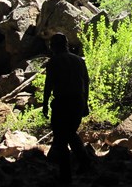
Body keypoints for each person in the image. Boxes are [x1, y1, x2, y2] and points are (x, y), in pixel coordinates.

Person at [42, 33, 91, 184]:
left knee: (62, 138)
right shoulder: (78, 60)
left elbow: (49, 84)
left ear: (53, 46)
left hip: (62, 103)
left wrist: (44, 104)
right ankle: (84, 163)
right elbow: (86, 83)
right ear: (66, 44)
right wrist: (86, 103)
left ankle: (67, 175)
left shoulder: (53, 62)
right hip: (77, 101)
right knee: (69, 133)